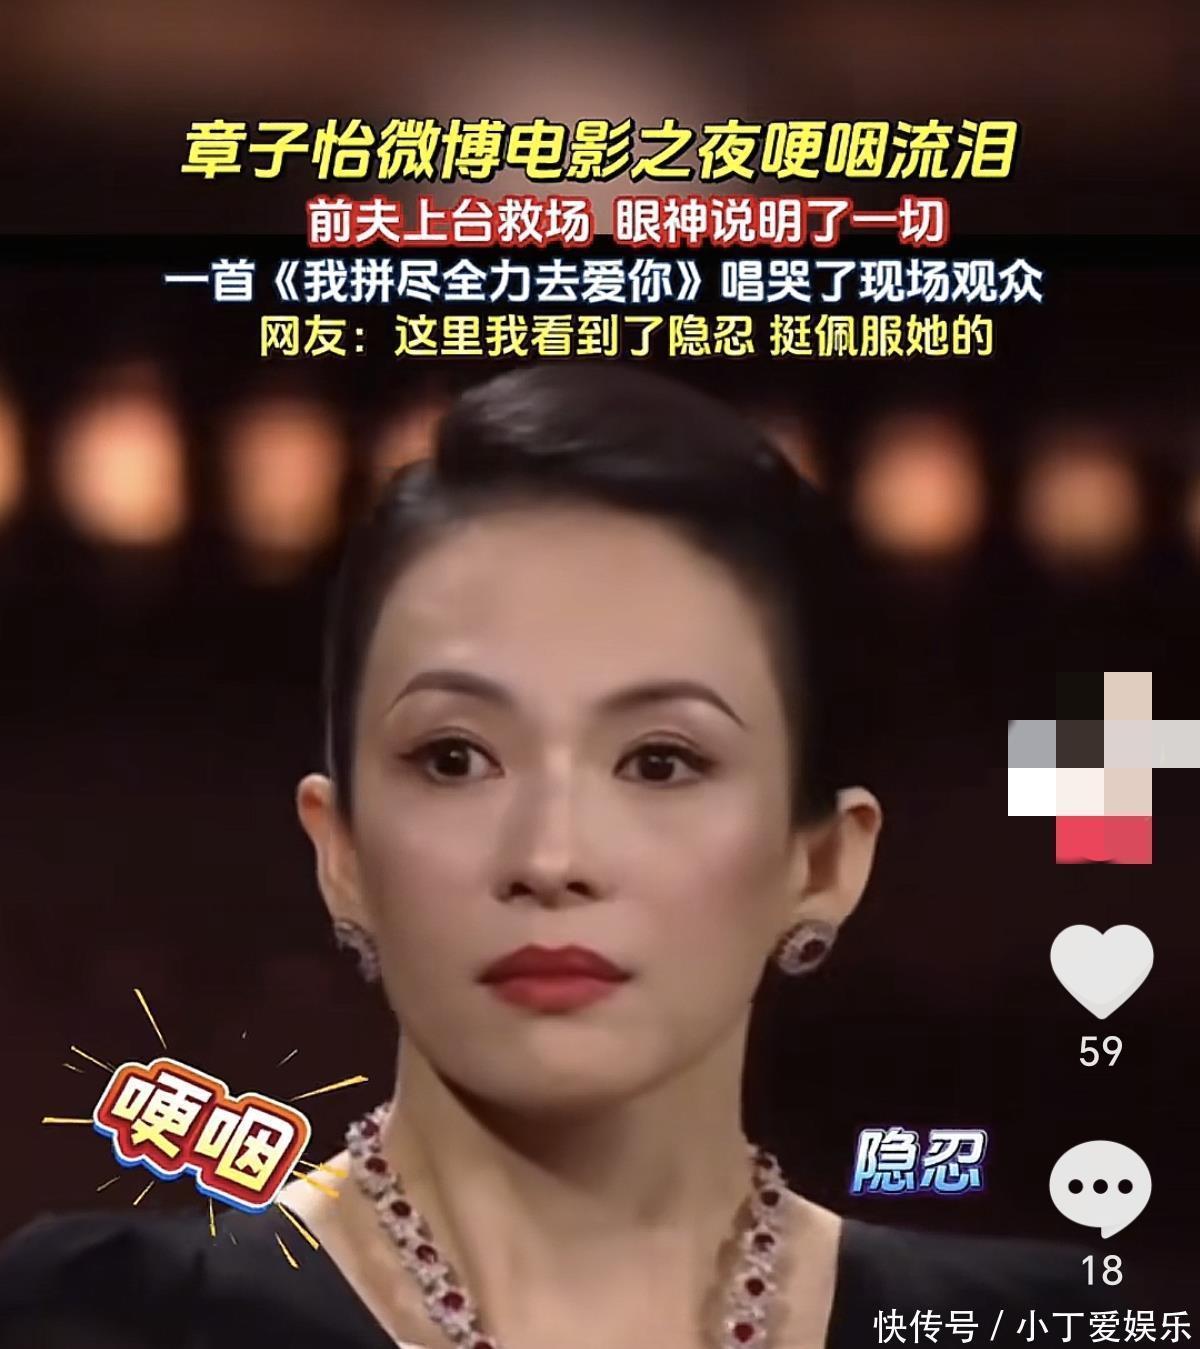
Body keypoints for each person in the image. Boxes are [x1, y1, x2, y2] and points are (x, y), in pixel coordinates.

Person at [0, 363, 1114, 1349]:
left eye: (662, 761)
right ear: (340, 850)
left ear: (821, 861)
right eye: (453, 757)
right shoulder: (101, 1316)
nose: (550, 856)